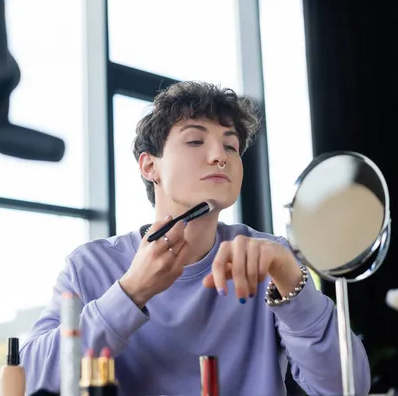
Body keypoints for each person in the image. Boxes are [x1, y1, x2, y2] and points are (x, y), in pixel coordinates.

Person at [20, 81, 371, 395]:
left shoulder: (269, 259)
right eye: (194, 140)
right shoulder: (91, 265)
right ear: (149, 166)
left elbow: (347, 387)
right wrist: (130, 293)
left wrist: (292, 282)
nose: (220, 156)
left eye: (231, 146)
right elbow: (29, 380)